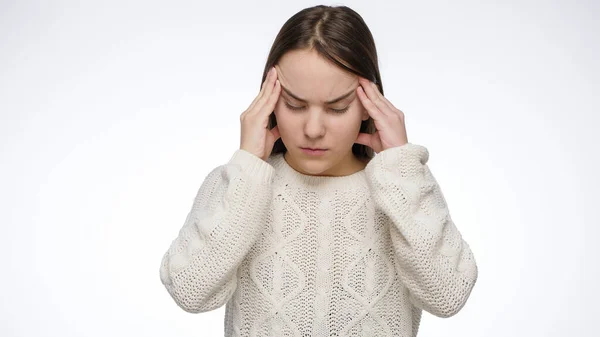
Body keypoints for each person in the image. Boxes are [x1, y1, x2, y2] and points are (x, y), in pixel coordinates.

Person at [159, 5, 478, 336]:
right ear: (268, 102)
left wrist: (402, 167)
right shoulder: (238, 185)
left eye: (337, 108)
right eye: (295, 105)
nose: (313, 129)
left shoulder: (401, 188)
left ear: (369, 106)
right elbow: (190, 293)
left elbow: (448, 297)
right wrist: (246, 169)